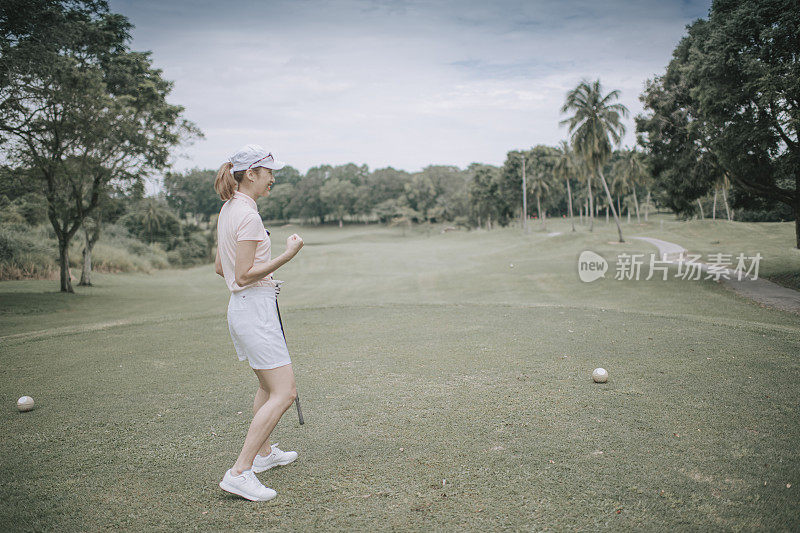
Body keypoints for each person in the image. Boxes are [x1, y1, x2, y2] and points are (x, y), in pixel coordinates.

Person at [212, 143, 305, 502]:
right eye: (268, 173)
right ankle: (239, 472)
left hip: (243, 308)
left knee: (267, 388)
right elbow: (244, 272)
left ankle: (264, 456)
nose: (273, 179)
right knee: (285, 392)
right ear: (251, 173)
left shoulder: (229, 209)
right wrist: (287, 254)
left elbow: (222, 268)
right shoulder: (248, 215)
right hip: (254, 310)